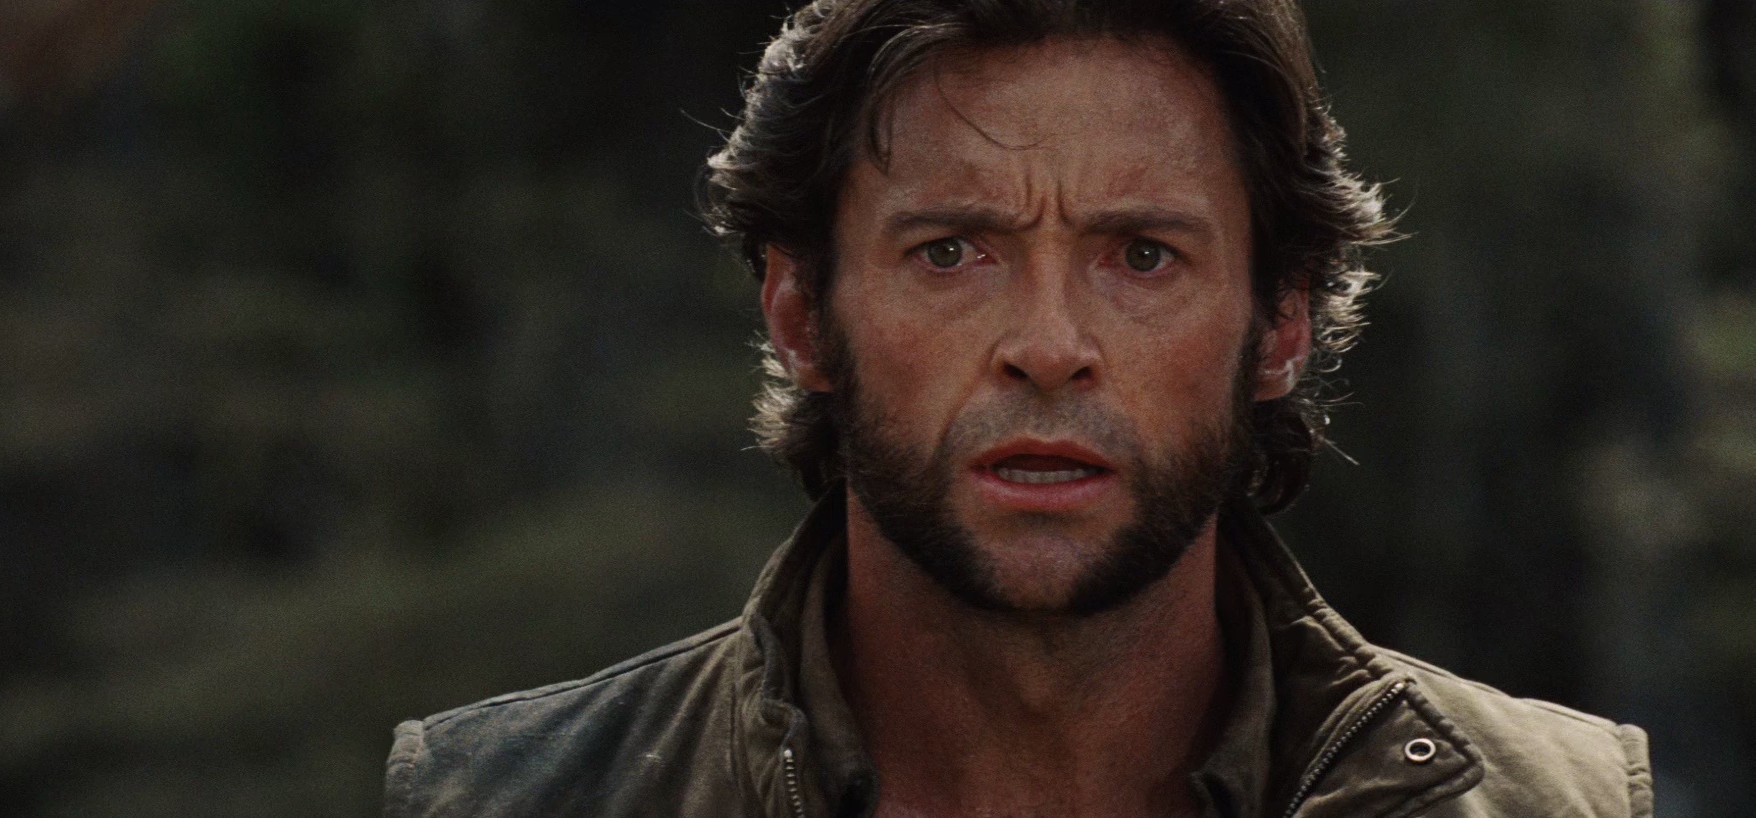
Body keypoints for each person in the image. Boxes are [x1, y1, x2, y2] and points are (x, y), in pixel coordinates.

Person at [382, 1, 1653, 815]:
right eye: (952, 252)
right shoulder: (508, 796)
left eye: (1142, 254)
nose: (1049, 347)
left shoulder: (1555, 801)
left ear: (1280, 321)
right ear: (801, 313)